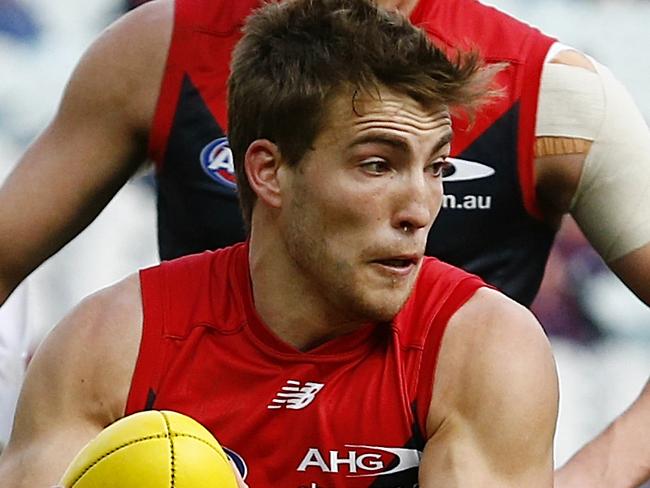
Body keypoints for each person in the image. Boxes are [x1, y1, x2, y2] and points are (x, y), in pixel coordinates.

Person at [0, 0, 647, 485]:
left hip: (451, 412)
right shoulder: (106, 343)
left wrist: (582, 480)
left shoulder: (552, 88)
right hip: (182, 392)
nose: (422, 210)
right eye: (377, 164)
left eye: (439, 168)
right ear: (262, 169)